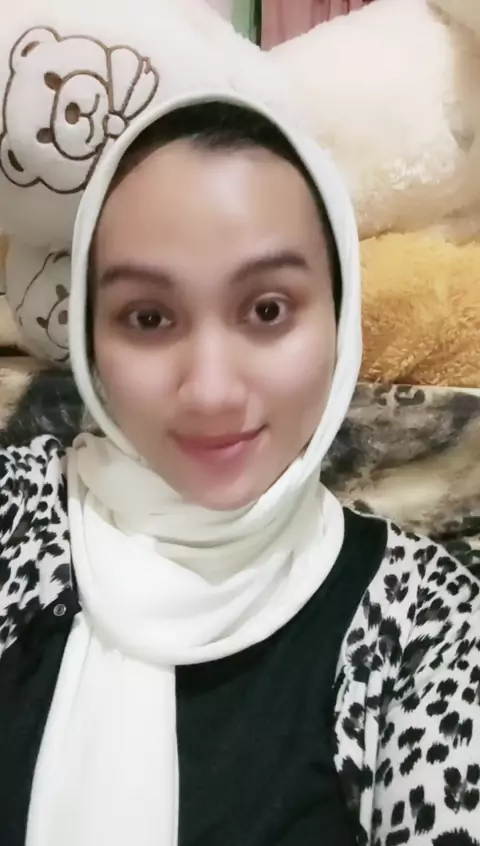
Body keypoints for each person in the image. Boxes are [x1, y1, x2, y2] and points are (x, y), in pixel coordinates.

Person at [0, 90, 479, 846]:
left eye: (267, 310)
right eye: (148, 318)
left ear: (340, 316)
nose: (212, 391)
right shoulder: (15, 513)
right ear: (90, 339)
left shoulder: (426, 624)